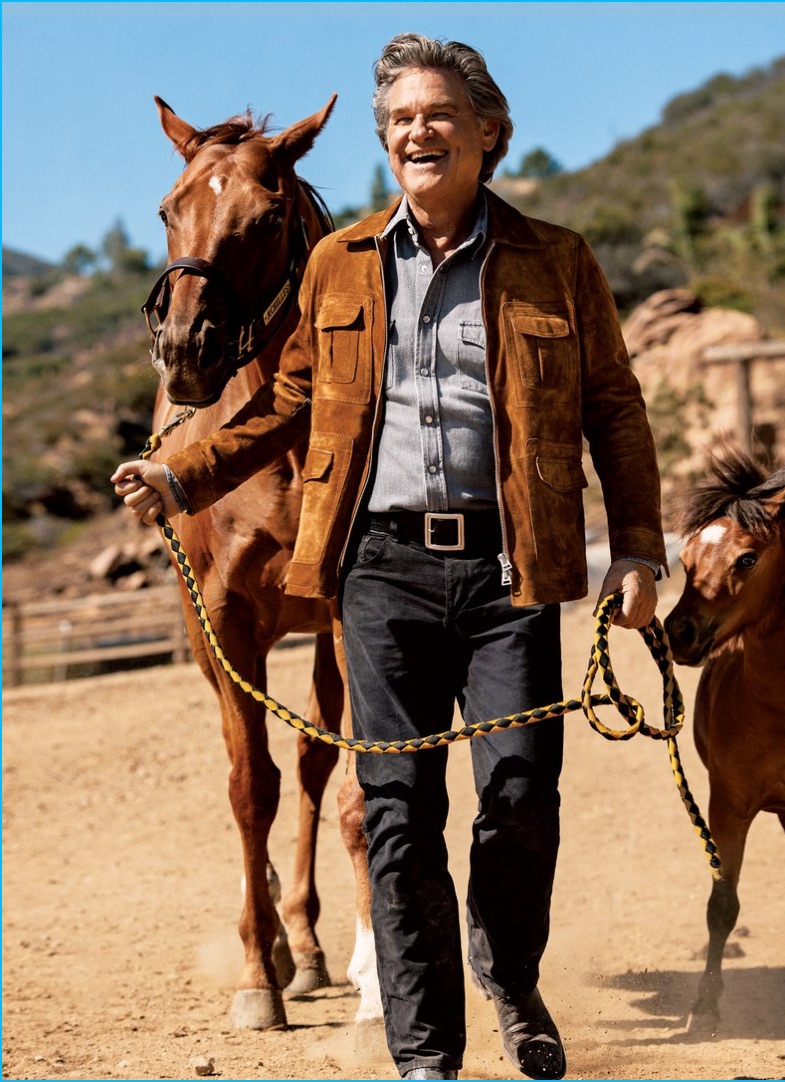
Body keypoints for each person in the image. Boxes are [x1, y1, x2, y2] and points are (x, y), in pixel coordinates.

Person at [112, 34, 666, 1081]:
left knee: (518, 792)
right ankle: (422, 1050)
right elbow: (287, 400)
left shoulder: (559, 258)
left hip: (513, 566)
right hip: (377, 564)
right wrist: (184, 472)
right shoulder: (341, 262)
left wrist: (635, 543)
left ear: (486, 135)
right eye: (400, 117)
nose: (417, 129)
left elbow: (614, 408)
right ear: (382, 139)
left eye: (439, 114)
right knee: (398, 806)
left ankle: (508, 978)